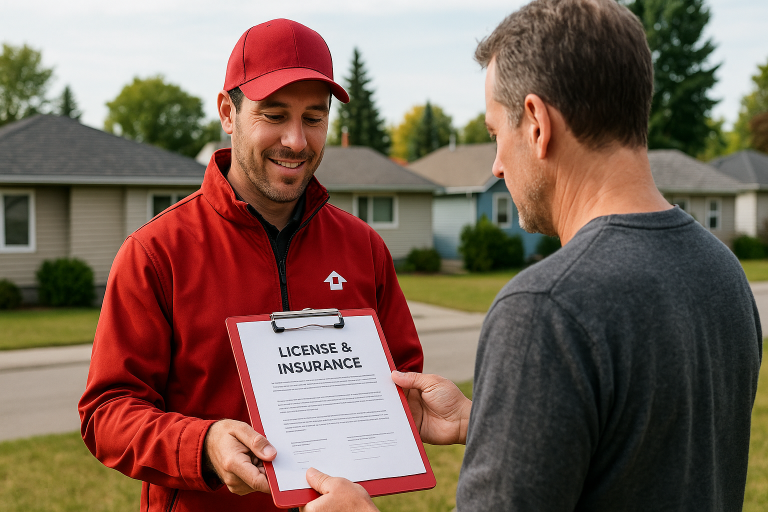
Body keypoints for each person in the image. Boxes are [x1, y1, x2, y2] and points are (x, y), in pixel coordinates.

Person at [299, 1, 762, 511]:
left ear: (537, 123)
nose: (497, 165)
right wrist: (487, 423)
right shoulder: (721, 272)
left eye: (497, 134)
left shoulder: (545, 307)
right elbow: (643, 455)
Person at [78, 19, 423, 512]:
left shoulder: (363, 246)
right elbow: (106, 412)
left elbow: (403, 377)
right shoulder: (157, 252)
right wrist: (203, 445)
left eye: (313, 117)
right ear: (228, 112)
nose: (296, 141)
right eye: (274, 114)